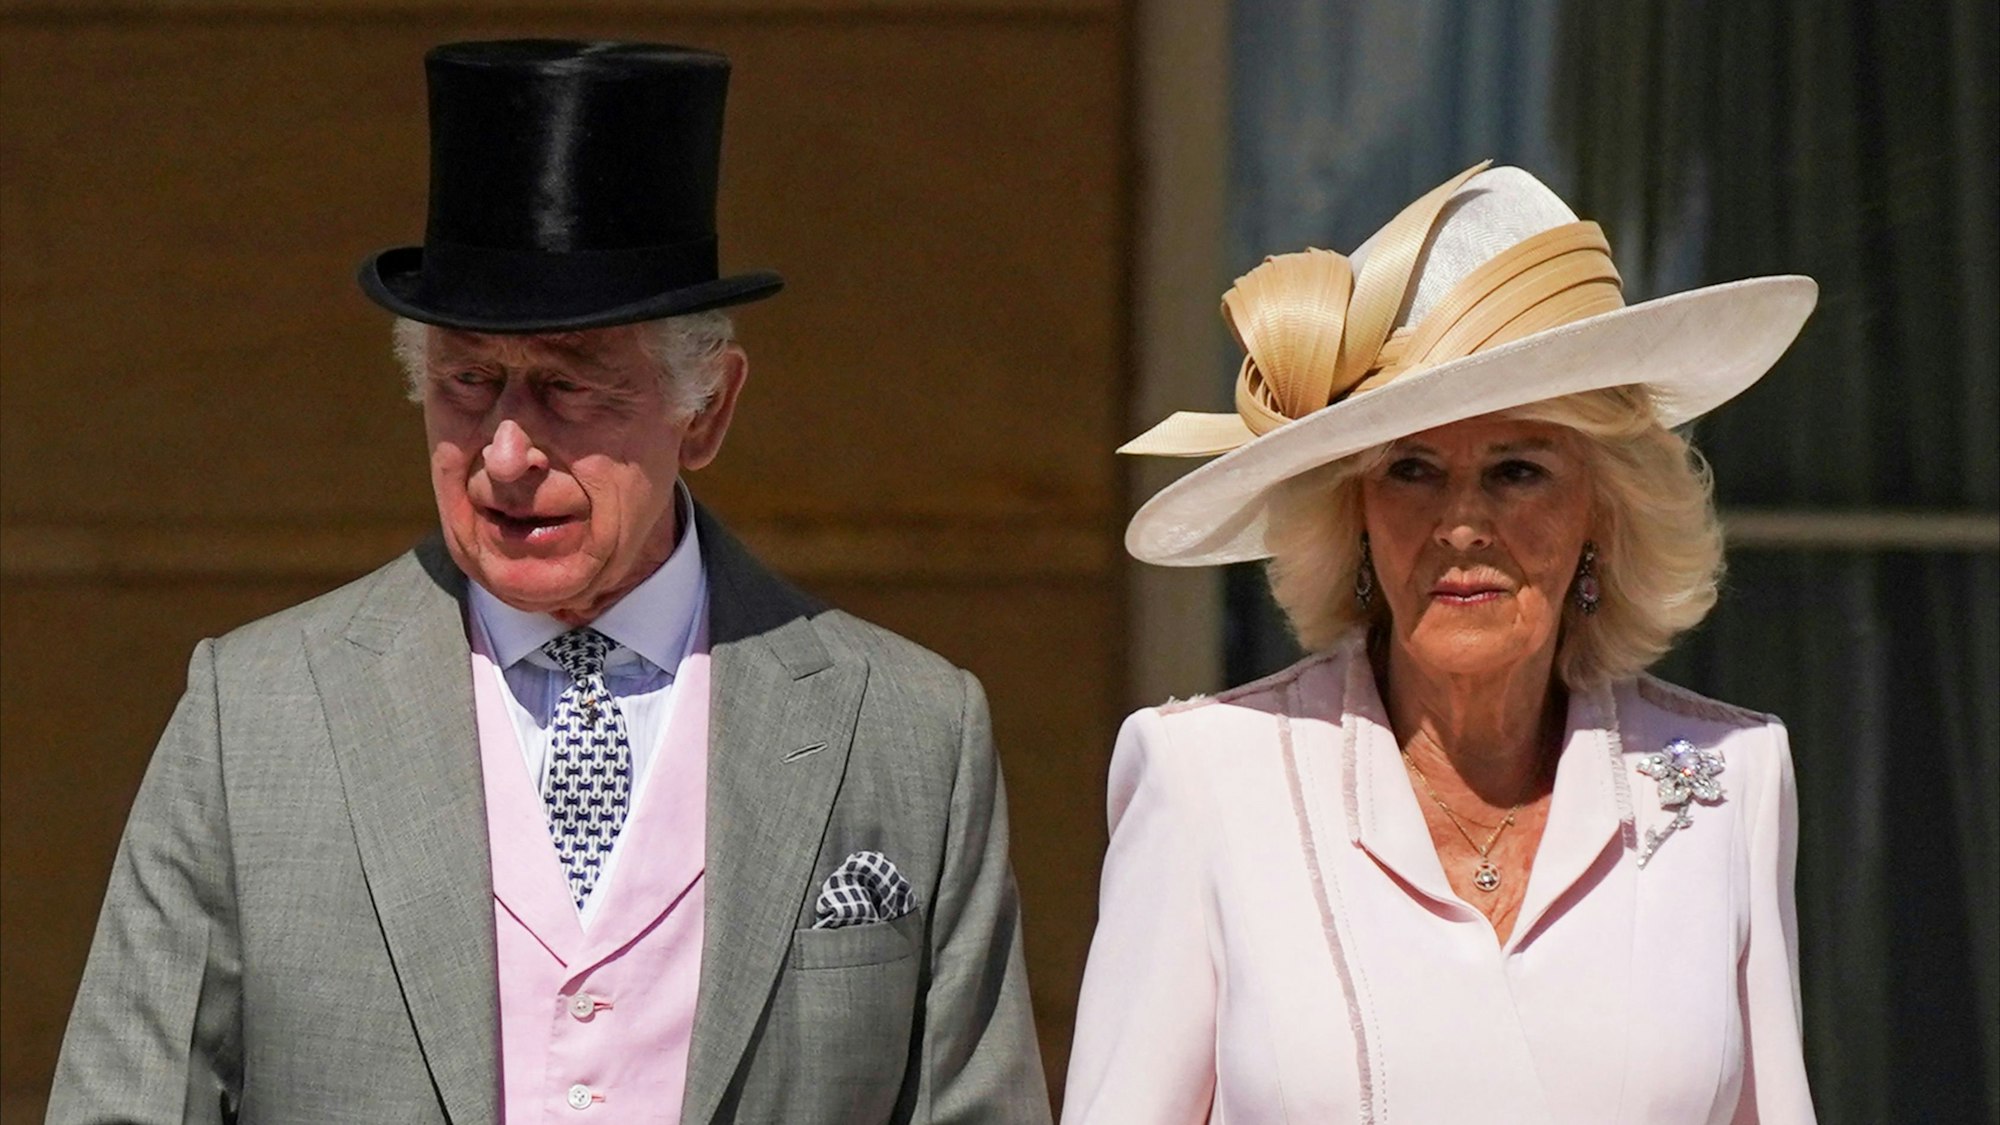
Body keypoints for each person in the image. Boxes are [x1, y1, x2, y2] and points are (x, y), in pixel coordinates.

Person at [49, 40, 1049, 1124]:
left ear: (704, 410)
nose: (508, 451)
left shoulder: (907, 728)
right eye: (468, 383)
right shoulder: (254, 718)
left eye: (572, 388)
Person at [1063, 163, 1817, 1122]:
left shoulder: (1728, 777)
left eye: (1516, 470)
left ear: (1602, 508)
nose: (1462, 524)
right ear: (1355, 512)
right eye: (1412, 469)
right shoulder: (1207, 777)